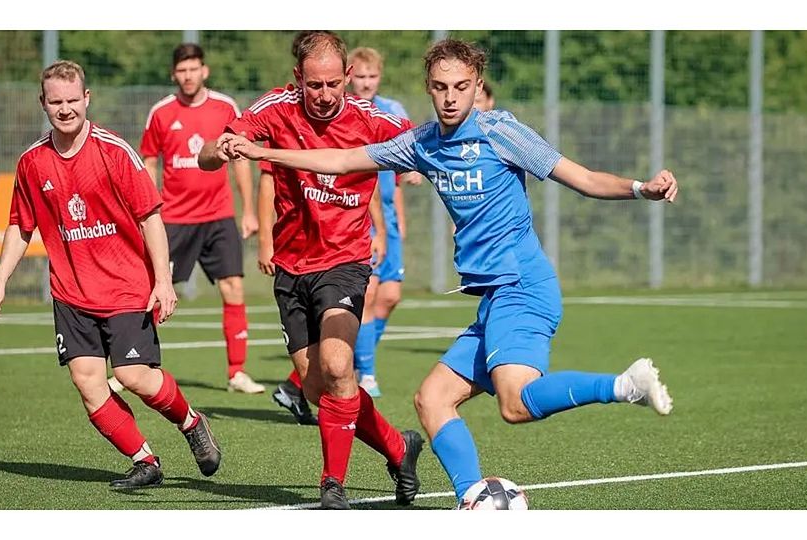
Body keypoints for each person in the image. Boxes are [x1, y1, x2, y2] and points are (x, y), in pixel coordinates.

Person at [221, 38, 679, 506]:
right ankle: (473, 499)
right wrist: (264, 154)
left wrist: (641, 188)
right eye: (440, 87)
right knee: (432, 400)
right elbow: (341, 160)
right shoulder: (421, 143)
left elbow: (582, 178)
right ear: (428, 88)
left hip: (522, 287)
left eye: (462, 86)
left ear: (478, 86)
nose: (451, 97)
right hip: (492, 300)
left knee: (515, 403)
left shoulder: (502, 132)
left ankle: (625, 385)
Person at [199, 31, 424, 509]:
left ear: (346, 78)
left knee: (340, 366)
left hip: (345, 261)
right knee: (322, 388)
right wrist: (217, 151)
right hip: (292, 265)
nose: (323, 96)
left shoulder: (373, 119)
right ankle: (400, 449)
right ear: (297, 78)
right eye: (313, 85)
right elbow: (209, 154)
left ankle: (332, 486)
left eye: (332, 85)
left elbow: (428, 141)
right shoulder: (276, 108)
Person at [0, 60, 221, 489]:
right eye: (56, 102)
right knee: (88, 382)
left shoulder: (114, 151)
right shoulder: (33, 162)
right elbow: (21, 224)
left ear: (87, 98)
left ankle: (190, 422)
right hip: (71, 293)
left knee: (134, 377)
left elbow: (150, 216)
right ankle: (145, 461)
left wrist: (163, 282)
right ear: (43, 103)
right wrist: (0, 281)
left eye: (73, 100)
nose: (66, 109)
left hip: (127, 287)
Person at [137, 43, 264, 395]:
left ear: (204, 70)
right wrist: (150, 211)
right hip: (174, 218)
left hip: (218, 215)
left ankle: (237, 372)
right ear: (174, 74)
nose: (188, 75)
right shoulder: (161, 112)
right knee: (156, 290)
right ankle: (137, 365)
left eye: (194, 69)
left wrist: (249, 210)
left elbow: (239, 158)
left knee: (233, 287)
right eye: (182, 70)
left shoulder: (225, 107)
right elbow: (148, 160)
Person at [346, 46, 420, 398]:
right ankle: (367, 374)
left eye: (371, 77)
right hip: (361, 217)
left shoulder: (393, 111)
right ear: (349, 78)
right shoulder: (344, 113)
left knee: (390, 296)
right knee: (369, 291)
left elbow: (403, 166)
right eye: (359, 77)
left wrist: (400, 220)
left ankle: (355, 355)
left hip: (388, 218)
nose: (365, 83)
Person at [256, 159, 318, 426]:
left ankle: (294, 389)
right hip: (296, 256)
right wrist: (264, 240)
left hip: (338, 252)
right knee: (332, 351)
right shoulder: (282, 126)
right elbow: (268, 182)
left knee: (339, 339)